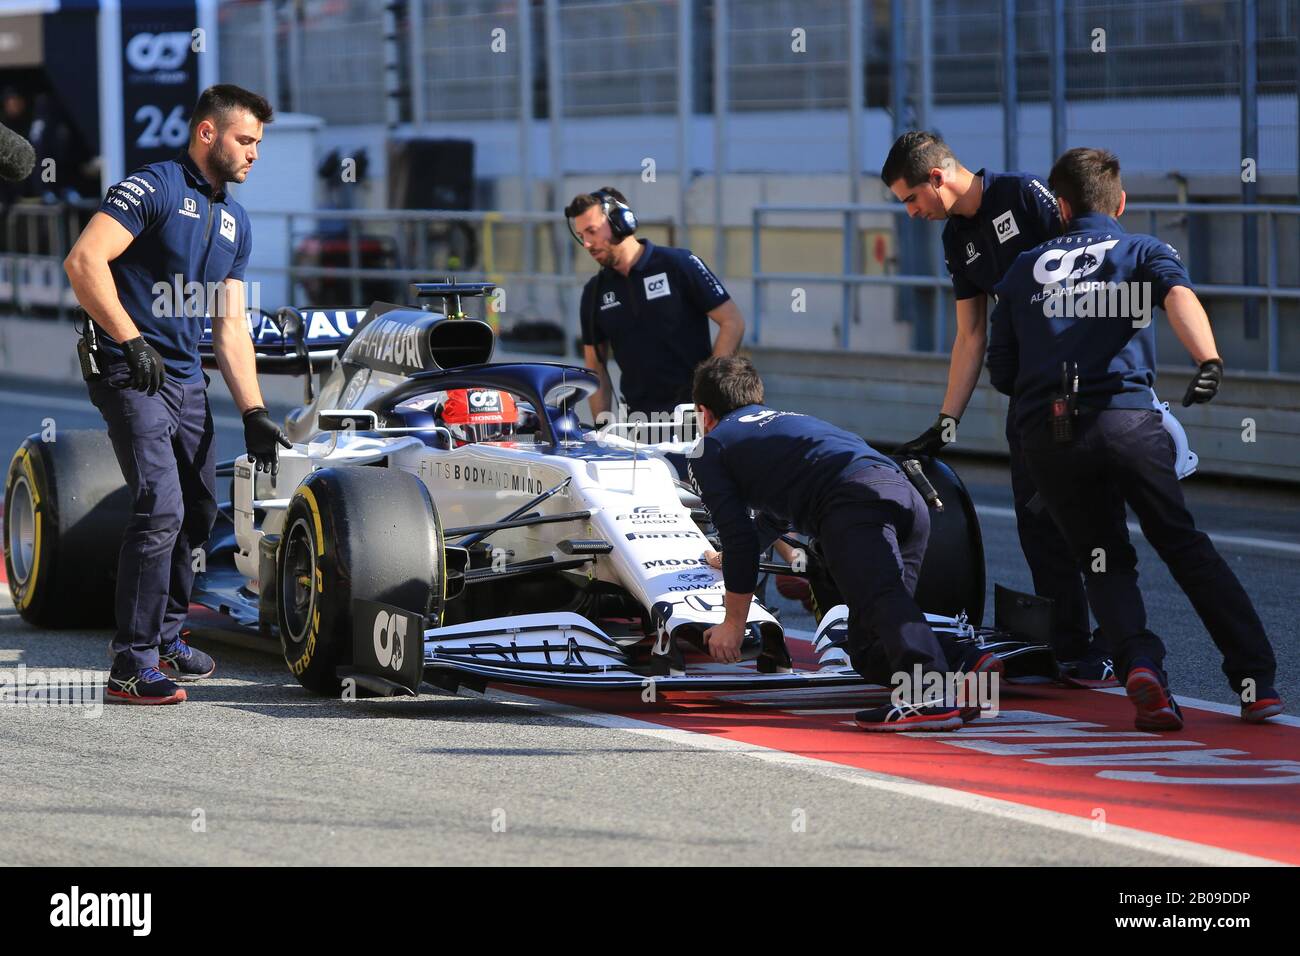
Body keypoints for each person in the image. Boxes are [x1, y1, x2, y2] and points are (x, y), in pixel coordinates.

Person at [986, 146, 1283, 730]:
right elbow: (1178, 295)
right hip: (1127, 423)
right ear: (1120, 202)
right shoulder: (1144, 248)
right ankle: (1255, 683)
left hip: (1050, 434)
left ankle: (1140, 665)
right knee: (1184, 546)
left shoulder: (1023, 267)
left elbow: (1002, 372)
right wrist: (1209, 360)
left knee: (1103, 561)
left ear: (1062, 206)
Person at [62, 85, 288, 705]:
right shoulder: (153, 186)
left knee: (197, 513)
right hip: (128, 369)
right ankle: (129, 665)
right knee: (159, 507)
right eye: (246, 140)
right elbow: (84, 261)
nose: (255, 155)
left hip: (187, 380)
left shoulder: (235, 223)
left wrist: (255, 410)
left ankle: (165, 638)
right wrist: (131, 340)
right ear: (208, 134)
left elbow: (229, 325)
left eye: (260, 144)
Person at [880, 130, 1108, 686]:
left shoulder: (1026, 196)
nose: (910, 213)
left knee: (1088, 524)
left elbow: (1096, 270)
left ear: (938, 177)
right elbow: (969, 334)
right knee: (1036, 523)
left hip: (1080, 389)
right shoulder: (956, 239)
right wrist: (945, 422)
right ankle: (1073, 649)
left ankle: (1124, 643)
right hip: (1027, 397)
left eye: (911, 198)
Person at [687, 355, 1002, 732]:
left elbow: (738, 535)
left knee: (883, 600)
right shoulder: (787, 422)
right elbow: (774, 517)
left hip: (852, 504)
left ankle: (928, 696)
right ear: (757, 397)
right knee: (869, 646)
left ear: (703, 413)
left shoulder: (710, 448)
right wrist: (735, 554)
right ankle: (964, 663)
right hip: (904, 493)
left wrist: (733, 624)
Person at [567, 187, 745, 425]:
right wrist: (602, 429)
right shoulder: (594, 292)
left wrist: (709, 395)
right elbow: (595, 364)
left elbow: (732, 322)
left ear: (622, 222)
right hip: (639, 425)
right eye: (581, 235)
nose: (587, 243)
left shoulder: (679, 264)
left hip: (694, 419)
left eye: (592, 231)